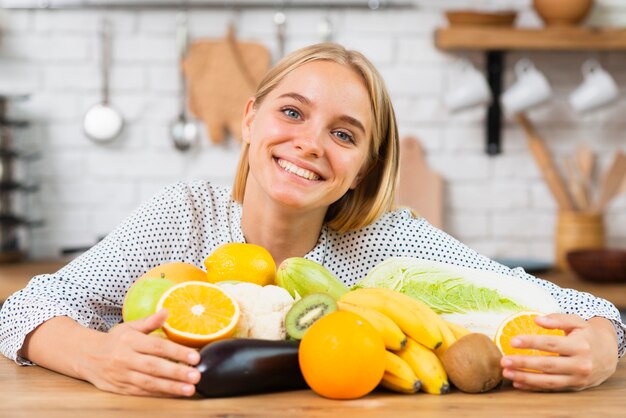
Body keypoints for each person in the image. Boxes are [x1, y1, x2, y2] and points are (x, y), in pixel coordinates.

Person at [0, 43, 623, 397]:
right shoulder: (183, 215)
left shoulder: (388, 242)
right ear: (250, 119)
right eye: (292, 113)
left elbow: (570, 306)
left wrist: (601, 343)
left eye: (344, 134)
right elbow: (22, 309)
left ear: (363, 169)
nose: (310, 144)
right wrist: (94, 356)